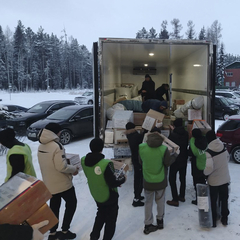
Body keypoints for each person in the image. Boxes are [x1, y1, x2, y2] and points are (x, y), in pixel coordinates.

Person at [37, 123, 79, 240]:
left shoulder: (41, 146)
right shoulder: (57, 146)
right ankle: (65, 230)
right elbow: (62, 167)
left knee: (54, 207)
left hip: (49, 183)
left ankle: (53, 232)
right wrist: (74, 169)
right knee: (71, 204)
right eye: (59, 132)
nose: (60, 133)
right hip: (63, 184)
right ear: (56, 132)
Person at [81, 138, 126, 240]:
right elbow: (112, 182)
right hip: (109, 196)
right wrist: (123, 179)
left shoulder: (84, 160)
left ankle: (94, 236)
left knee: (101, 214)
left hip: (96, 194)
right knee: (110, 220)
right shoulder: (105, 164)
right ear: (101, 149)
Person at [139, 132, 171, 234]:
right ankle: (160, 220)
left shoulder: (142, 147)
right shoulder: (163, 149)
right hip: (160, 180)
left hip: (148, 180)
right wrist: (174, 156)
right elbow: (167, 163)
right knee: (160, 201)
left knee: (148, 202)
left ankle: (148, 224)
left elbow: (140, 161)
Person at [204, 130, 230, 227]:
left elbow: (208, 169)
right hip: (224, 178)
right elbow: (227, 157)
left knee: (213, 200)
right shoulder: (223, 146)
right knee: (224, 199)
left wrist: (204, 173)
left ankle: (214, 219)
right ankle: (225, 218)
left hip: (214, 181)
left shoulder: (209, 152)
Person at [166, 118, 189, 207]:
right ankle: (182, 196)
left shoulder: (173, 135)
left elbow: (168, 144)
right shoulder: (186, 133)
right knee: (182, 178)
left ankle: (175, 199)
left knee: (172, 179)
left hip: (175, 159)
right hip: (184, 158)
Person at [125, 122, 144, 207]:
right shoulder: (135, 136)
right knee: (139, 179)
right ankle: (136, 199)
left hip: (135, 158)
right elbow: (142, 139)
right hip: (138, 160)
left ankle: (138, 195)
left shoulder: (130, 135)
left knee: (138, 178)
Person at [188, 128, 208, 205]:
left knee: (197, 183)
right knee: (203, 181)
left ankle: (199, 200)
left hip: (196, 165)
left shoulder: (193, 142)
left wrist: (191, 141)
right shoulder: (205, 140)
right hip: (205, 164)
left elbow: (192, 153)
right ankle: (205, 198)